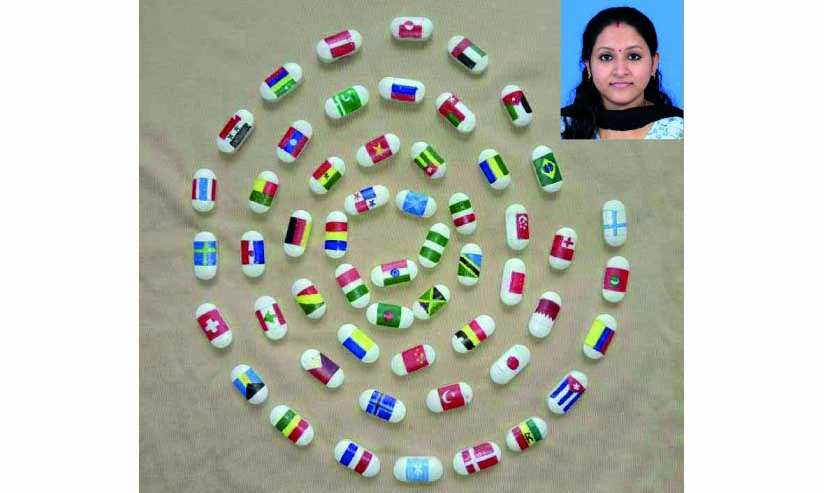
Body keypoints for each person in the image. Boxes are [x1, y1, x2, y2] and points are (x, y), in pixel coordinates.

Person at [561, 6, 683, 140]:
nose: (620, 72)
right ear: (589, 66)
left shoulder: (678, 130)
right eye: (606, 57)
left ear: (654, 63)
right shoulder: (562, 127)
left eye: (634, 56)